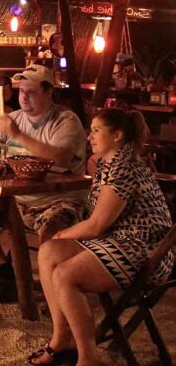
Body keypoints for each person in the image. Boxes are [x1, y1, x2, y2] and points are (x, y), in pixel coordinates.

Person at [27, 108, 174, 365]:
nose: (89, 137)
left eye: (96, 131)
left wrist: (61, 233)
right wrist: (58, 239)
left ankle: (88, 358)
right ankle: (62, 339)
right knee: (49, 251)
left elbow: (96, 225)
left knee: (65, 275)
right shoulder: (109, 162)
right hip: (119, 239)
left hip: (145, 250)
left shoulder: (123, 166)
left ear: (117, 135)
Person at [0, 64, 88, 303]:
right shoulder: (12, 119)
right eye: (21, 91)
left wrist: (18, 135)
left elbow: (61, 157)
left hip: (58, 198)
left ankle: (55, 292)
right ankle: (4, 276)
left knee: (52, 228)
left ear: (49, 93)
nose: (24, 97)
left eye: (32, 92)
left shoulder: (65, 120)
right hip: (17, 199)